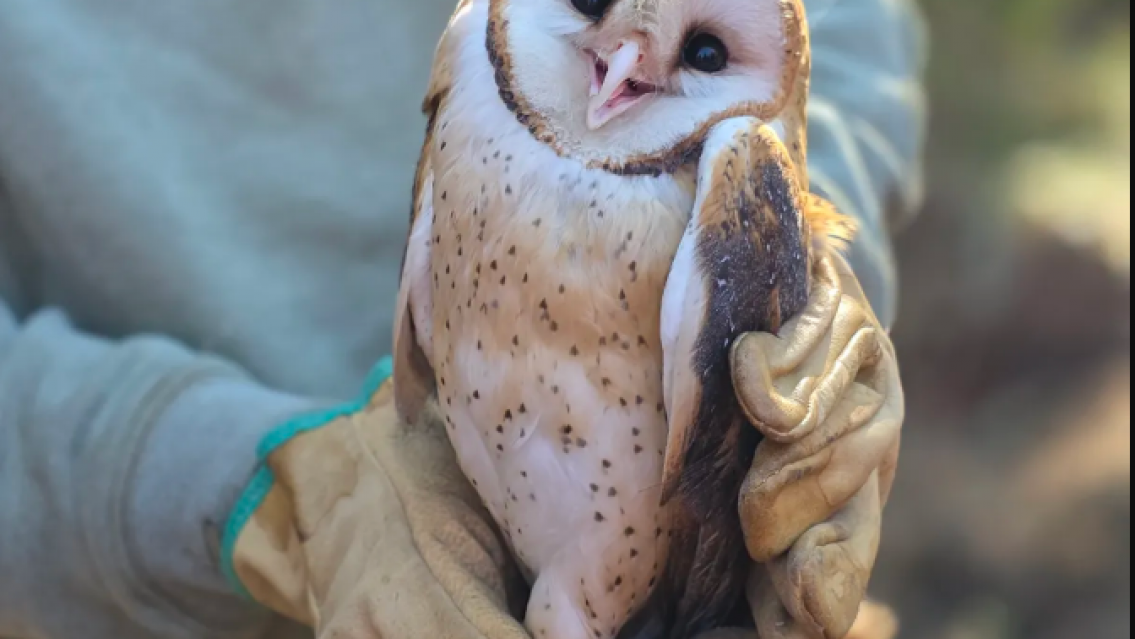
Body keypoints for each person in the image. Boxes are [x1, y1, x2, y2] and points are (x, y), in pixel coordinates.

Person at [0, 0, 927, 637]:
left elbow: (828, 31)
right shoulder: (475, 87)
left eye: (699, 54)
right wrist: (255, 489)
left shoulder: (721, 172)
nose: (622, 70)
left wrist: (778, 263)